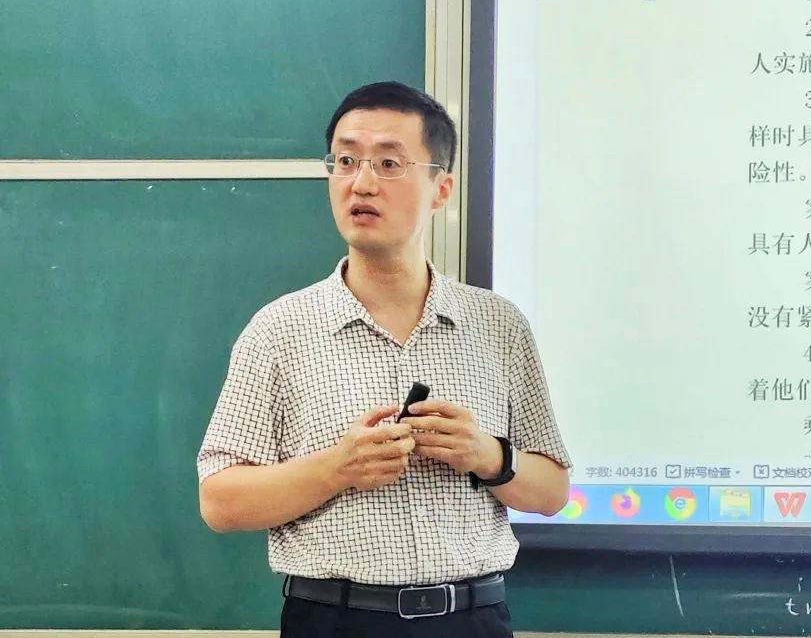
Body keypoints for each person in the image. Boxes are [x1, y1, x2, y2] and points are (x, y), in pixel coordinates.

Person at [196, 81, 571, 637]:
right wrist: (338, 467)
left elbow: (552, 491)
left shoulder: (498, 325)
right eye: (346, 161)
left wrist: (486, 454)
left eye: (389, 163)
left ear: (441, 188)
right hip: (334, 619)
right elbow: (220, 502)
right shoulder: (279, 330)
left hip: (472, 620)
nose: (362, 182)